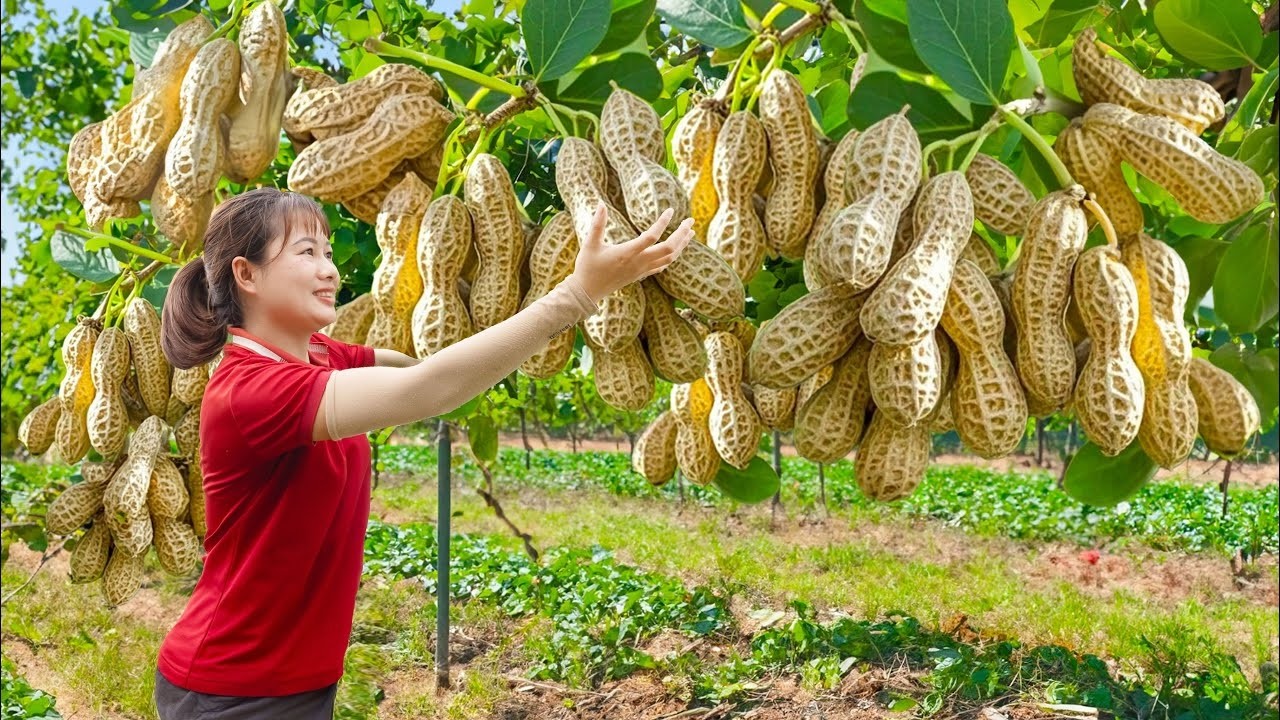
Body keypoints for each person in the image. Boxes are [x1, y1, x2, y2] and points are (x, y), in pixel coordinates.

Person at [153, 186, 693, 718]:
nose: (330, 270)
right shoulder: (250, 392)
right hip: (232, 687)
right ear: (246, 275)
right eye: (306, 252)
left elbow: (414, 367)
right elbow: (427, 389)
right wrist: (576, 295)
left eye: (329, 252)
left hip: (293, 679)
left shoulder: (315, 355)